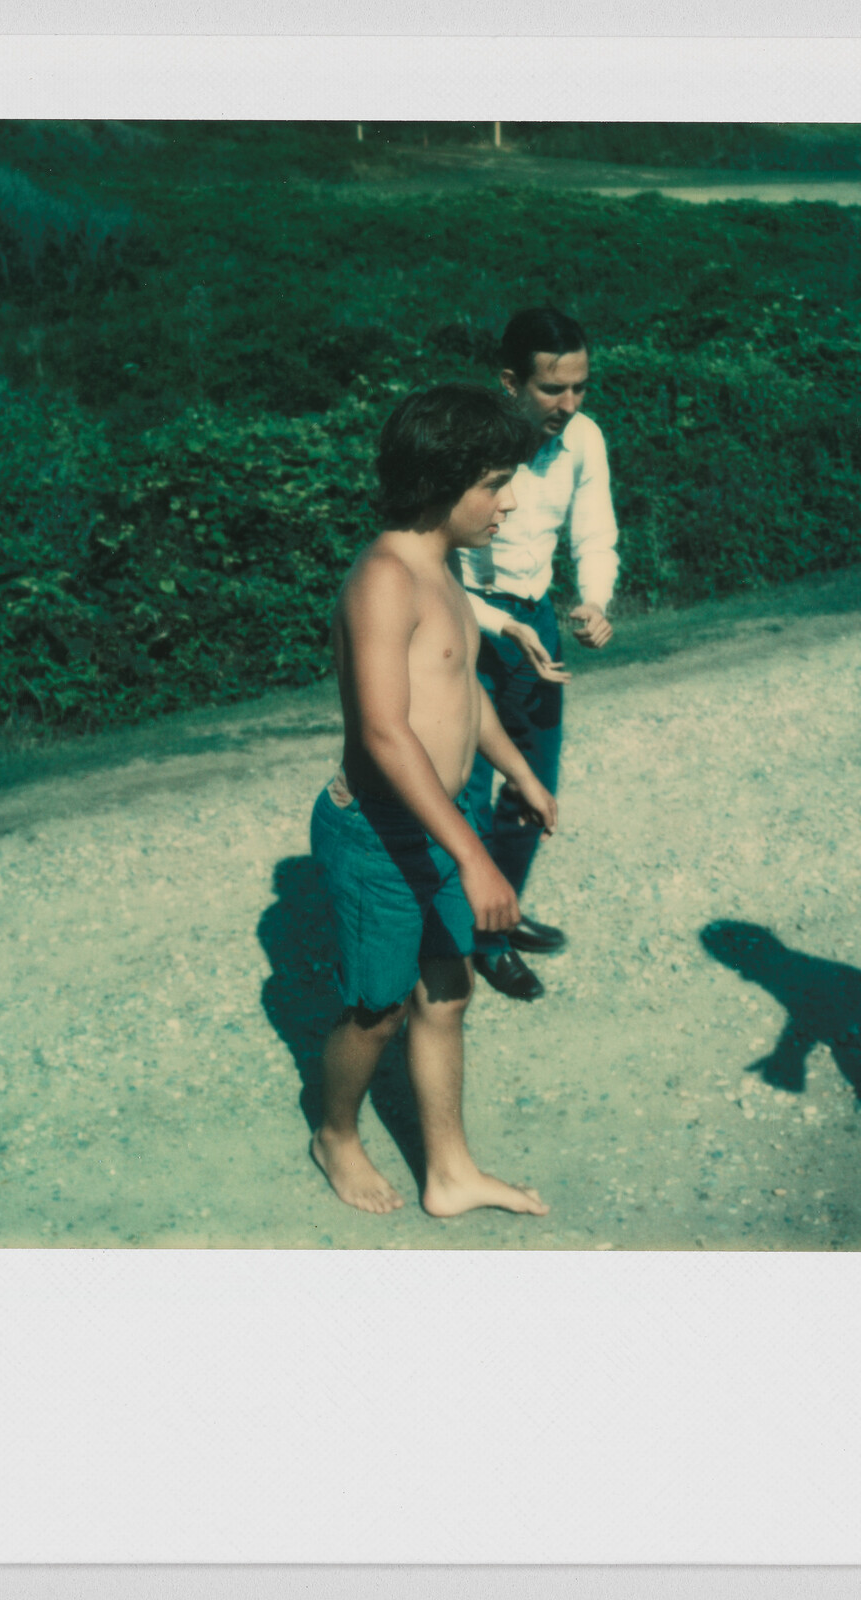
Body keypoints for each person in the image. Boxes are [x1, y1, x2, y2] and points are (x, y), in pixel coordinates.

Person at [309, 384, 557, 1218]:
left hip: (437, 828)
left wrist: (519, 773)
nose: (508, 500)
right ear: (437, 482)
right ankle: (335, 1133)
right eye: (493, 482)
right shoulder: (384, 580)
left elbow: (459, 693)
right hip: (380, 834)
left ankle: (449, 1173)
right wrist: (476, 855)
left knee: (447, 993)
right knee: (378, 1011)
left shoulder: (441, 567)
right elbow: (384, 733)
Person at [458, 307, 619, 1001]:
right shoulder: (466, 441)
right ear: (509, 382)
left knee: (532, 785)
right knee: (462, 792)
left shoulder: (583, 439)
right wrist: (495, 624)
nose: (570, 403)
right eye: (554, 389)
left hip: (537, 623)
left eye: (580, 386)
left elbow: (595, 528)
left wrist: (595, 600)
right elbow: (429, 565)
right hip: (463, 624)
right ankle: (464, 937)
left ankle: (498, 919)